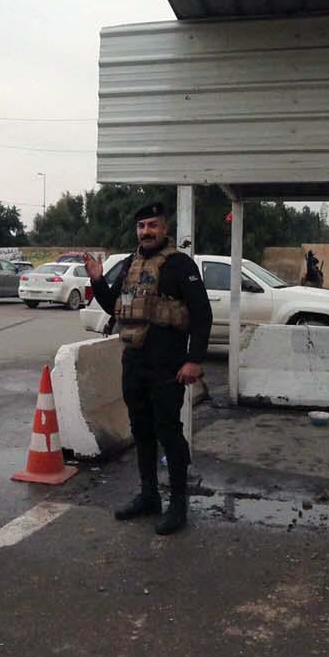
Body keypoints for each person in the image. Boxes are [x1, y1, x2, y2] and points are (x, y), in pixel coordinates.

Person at [85, 203, 213, 536]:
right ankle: (149, 495)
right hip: (135, 361)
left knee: (169, 432)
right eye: (141, 226)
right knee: (141, 430)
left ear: (165, 228)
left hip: (168, 364)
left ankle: (179, 503)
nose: (146, 231)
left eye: (153, 225)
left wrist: (194, 359)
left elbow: (202, 315)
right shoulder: (130, 264)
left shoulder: (180, 265)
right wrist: (98, 281)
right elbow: (114, 304)